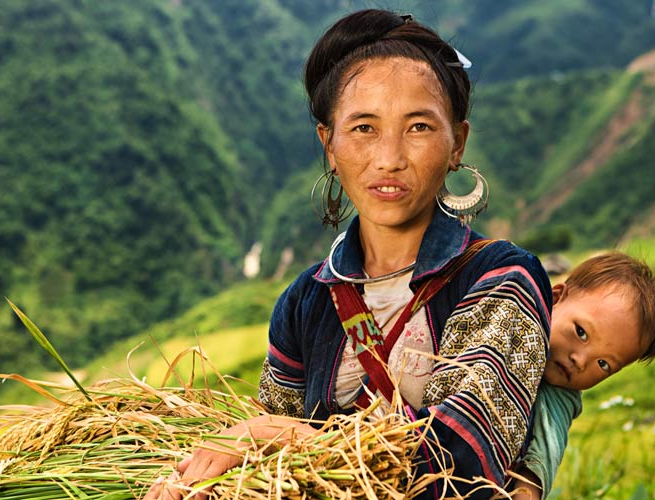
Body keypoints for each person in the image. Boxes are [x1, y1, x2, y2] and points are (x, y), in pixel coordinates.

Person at [147, 9, 552, 499]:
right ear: (330, 145)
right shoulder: (305, 302)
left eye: (419, 127)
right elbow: (260, 466)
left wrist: (285, 436)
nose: (389, 159)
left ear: (457, 144)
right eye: (363, 128)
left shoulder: (502, 278)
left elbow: (462, 460)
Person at [512, 252, 655, 499]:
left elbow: (542, 458)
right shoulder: (506, 326)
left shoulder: (560, 399)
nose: (581, 361)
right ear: (554, 298)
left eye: (604, 364)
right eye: (581, 332)